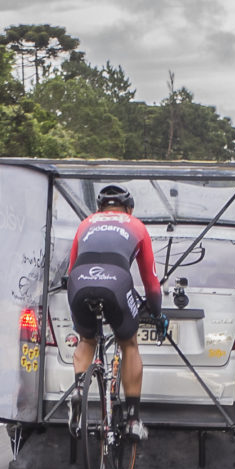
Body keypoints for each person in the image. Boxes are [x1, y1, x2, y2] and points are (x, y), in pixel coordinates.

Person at [66, 184, 167, 440]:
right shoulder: (136, 226)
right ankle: (133, 419)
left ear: (99, 209)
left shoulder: (85, 223)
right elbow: (151, 283)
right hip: (116, 281)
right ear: (129, 209)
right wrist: (155, 312)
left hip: (79, 281)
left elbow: (71, 269)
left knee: (87, 339)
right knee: (128, 343)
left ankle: (79, 388)